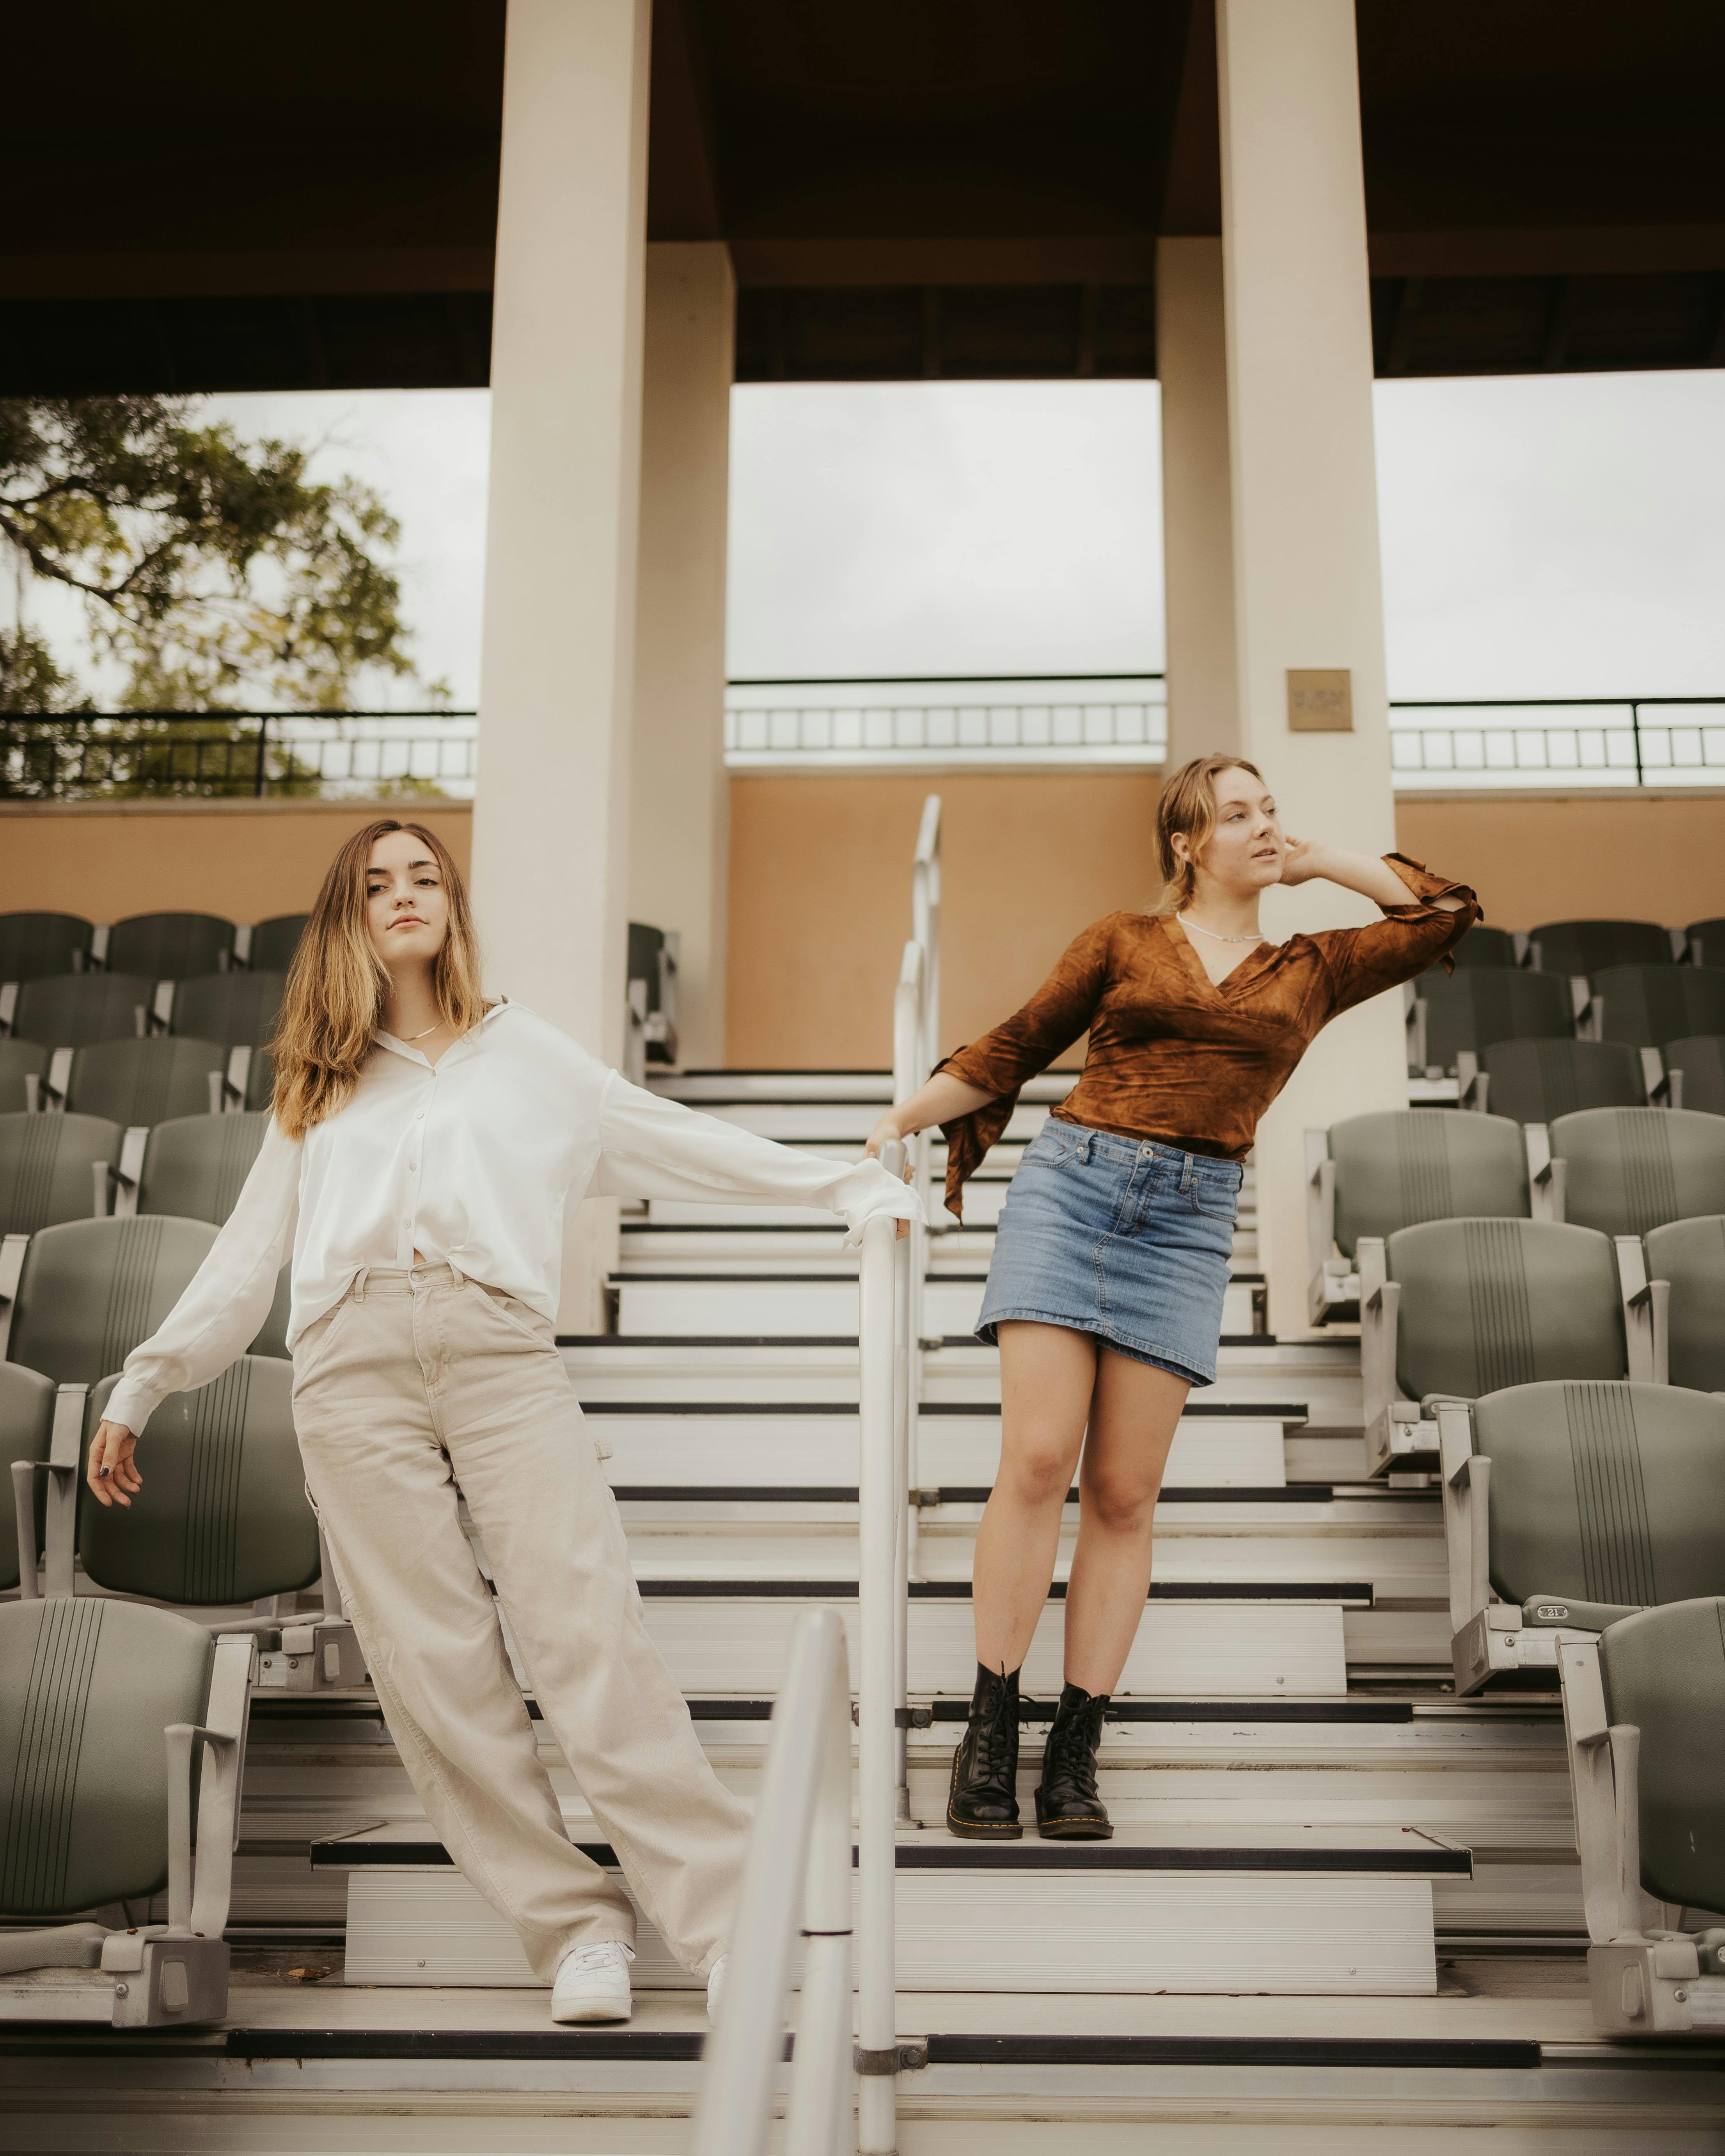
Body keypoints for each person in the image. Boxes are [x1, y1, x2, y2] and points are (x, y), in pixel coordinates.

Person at [87, 817, 920, 2025]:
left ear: (453, 905)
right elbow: (249, 1255)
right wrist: (146, 1380)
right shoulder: (319, 1078)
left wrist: (843, 1184)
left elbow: (675, 1141)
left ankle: (725, 1920)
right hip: (348, 1368)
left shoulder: (527, 1053)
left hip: (495, 1350)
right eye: (377, 884)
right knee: (437, 1670)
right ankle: (573, 1930)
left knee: (587, 1633)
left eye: (424, 876)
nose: (403, 896)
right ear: (351, 917)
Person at [866, 754, 1476, 1842]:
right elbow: (1014, 1048)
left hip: (1190, 1222)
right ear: (1185, 843)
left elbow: (1443, 916)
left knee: (1123, 1493)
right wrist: (899, 1122)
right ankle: (992, 1725)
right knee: (1041, 1458)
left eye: (1269, 809)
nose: (1260, 826)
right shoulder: (1123, 939)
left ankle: (1076, 1749)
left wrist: (1321, 860)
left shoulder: (1313, 965)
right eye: (1235, 814)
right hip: (1074, 1188)